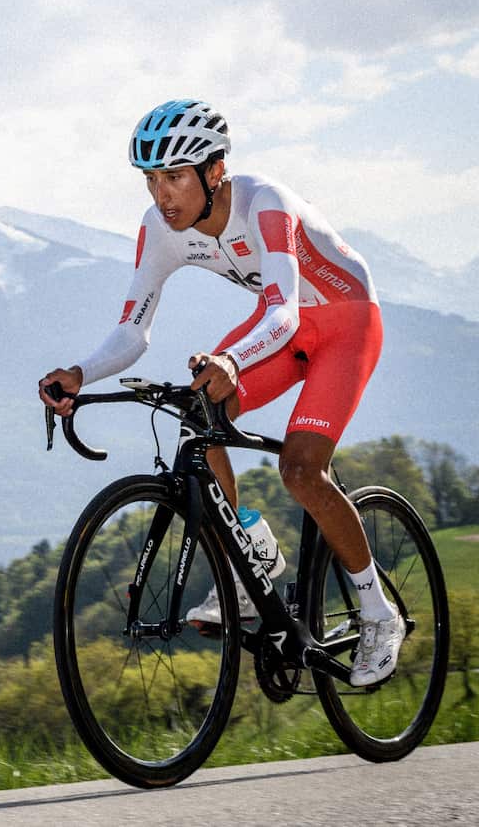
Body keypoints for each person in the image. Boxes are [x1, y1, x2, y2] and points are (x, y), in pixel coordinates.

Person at [38, 99, 403, 687]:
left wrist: (232, 358)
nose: (163, 195)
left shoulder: (266, 205)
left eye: (175, 177)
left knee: (302, 470)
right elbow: (133, 330)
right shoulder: (160, 229)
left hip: (345, 319)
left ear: (214, 171)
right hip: (281, 325)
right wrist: (81, 373)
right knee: (195, 411)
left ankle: (378, 614)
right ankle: (249, 561)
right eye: (152, 179)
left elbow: (283, 309)